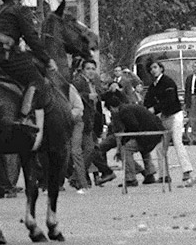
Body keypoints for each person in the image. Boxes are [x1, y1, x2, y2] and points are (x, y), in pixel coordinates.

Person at [0, 0, 53, 152]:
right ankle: (24, 117)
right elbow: (30, 37)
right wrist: (47, 59)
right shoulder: (20, 11)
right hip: (4, 54)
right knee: (36, 80)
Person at [95, 90, 167, 186]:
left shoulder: (123, 111)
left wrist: (124, 142)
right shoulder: (129, 107)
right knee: (141, 147)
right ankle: (149, 172)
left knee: (125, 149)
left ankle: (131, 178)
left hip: (148, 135)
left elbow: (133, 127)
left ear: (112, 108)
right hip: (155, 133)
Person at [143, 60, 192, 184]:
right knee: (160, 147)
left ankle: (187, 170)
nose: (153, 70)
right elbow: (147, 100)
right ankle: (164, 175)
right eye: (151, 69)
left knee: (177, 141)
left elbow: (169, 100)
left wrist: (155, 108)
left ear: (161, 68)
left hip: (175, 115)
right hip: (163, 117)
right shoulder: (153, 85)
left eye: (155, 67)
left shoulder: (167, 82)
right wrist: (147, 109)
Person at [70, 58, 105, 190]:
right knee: (81, 150)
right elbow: (72, 94)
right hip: (80, 120)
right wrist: (87, 96)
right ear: (83, 70)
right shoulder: (79, 81)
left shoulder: (91, 82)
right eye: (88, 69)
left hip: (88, 122)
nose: (91, 71)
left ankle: (75, 176)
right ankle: (77, 177)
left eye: (93, 69)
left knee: (90, 149)